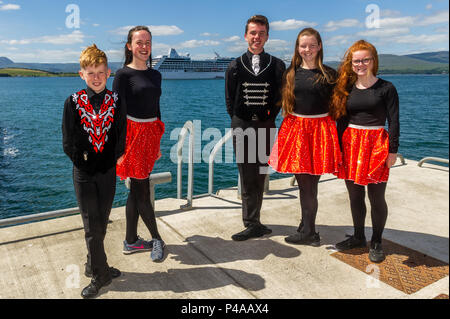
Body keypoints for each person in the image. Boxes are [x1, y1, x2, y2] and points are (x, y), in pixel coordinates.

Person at [62, 44, 126, 298]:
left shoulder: (116, 101)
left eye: (100, 72)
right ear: (82, 74)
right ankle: (102, 276)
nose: (96, 77)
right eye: (91, 72)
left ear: (108, 73)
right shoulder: (73, 102)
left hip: (108, 172)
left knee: (101, 224)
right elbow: (68, 142)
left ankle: (93, 264)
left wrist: (111, 160)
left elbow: (120, 135)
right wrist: (86, 162)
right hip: (84, 174)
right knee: (91, 225)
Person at [268, 28, 340, 246]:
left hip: (320, 130)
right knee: (305, 184)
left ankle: (309, 232)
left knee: (309, 185)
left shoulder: (330, 74)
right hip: (296, 129)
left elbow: (340, 107)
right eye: (303, 46)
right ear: (297, 48)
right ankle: (307, 226)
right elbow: (278, 101)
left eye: (311, 45)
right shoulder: (290, 73)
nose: (307, 50)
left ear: (319, 46)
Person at [329, 40, 400, 263]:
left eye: (365, 60)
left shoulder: (386, 88)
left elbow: (394, 121)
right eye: (356, 60)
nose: (361, 64)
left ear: (373, 61)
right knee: (355, 195)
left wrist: (392, 151)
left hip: (376, 144)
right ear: (351, 64)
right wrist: (338, 149)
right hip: (351, 144)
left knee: (377, 196)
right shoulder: (345, 89)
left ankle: (376, 240)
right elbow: (341, 121)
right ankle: (358, 236)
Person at [225, 15, 286, 241]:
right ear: (245, 36)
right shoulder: (234, 65)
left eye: (261, 33)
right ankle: (250, 222)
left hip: (265, 126)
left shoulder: (277, 65)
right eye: (253, 33)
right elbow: (230, 100)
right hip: (242, 125)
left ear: (267, 36)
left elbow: (280, 97)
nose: (256, 37)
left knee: (260, 174)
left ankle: (256, 221)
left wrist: (268, 118)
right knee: (246, 174)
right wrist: (241, 120)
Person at [113, 26, 166, 262]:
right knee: (142, 191)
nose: (144, 47)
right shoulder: (123, 75)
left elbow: (156, 108)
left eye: (148, 42)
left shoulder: (156, 75)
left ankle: (131, 240)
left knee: (135, 191)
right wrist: (119, 150)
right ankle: (157, 239)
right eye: (139, 42)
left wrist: (158, 142)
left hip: (150, 134)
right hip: (131, 136)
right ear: (129, 46)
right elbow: (115, 114)